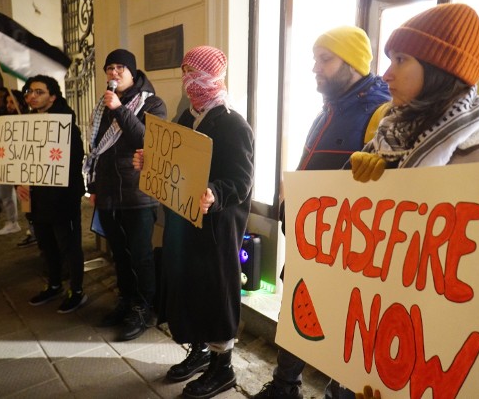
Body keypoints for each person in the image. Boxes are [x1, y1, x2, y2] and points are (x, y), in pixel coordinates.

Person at [350, 3, 479, 325]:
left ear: (440, 69)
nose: (386, 74)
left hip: (427, 341)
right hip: (370, 321)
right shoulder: (390, 137)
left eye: (400, 59)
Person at [254, 26, 391, 399]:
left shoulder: (381, 111)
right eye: (315, 58)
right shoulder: (326, 111)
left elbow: (381, 190)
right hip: (308, 240)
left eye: (325, 59)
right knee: (296, 313)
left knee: (345, 328)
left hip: (347, 250)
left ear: (354, 63)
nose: (316, 67)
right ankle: (285, 387)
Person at [134, 45, 254, 398]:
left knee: (215, 292)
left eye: (197, 73)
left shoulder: (233, 124)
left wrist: (215, 193)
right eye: (185, 72)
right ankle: (200, 352)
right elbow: (174, 162)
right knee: (188, 287)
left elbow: (241, 180)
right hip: (185, 223)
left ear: (216, 77)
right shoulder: (186, 118)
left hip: (215, 229)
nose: (190, 82)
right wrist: (150, 161)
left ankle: (223, 367)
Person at [83, 49, 167, 340]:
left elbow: (147, 141)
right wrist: (94, 188)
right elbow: (97, 151)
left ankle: (144, 308)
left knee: (140, 254)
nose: (114, 73)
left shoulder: (152, 103)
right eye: (109, 69)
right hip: (108, 193)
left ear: (133, 72)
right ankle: (126, 300)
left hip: (138, 193)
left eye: (120, 68)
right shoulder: (101, 106)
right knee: (118, 253)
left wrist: (119, 109)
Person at [16, 75, 87, 314]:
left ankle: (76, 290)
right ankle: (54, 284)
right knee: (46, 245)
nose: (32, 96)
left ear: (53, 96)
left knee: (69, 245)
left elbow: (75, 160)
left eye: (39, 92)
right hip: (36, 198)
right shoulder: (26, 123)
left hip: (62, 197)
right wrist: (19, 182)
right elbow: (19, 158)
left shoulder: (65, 123)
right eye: (30, 92)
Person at [0, 90, 25, 236]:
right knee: (5, 193)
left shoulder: (26, 118)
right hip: (4, 161)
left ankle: (33, 228)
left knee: (24, 196)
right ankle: (12, 222)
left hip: (21, 163)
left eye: (12, 102)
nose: (9, 105)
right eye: (7, 102)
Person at [15, 80, 37, 248]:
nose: (32, 97)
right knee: (30, 212)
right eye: (28, 93)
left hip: (49, 186)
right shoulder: (16, 122)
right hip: (27, 178)